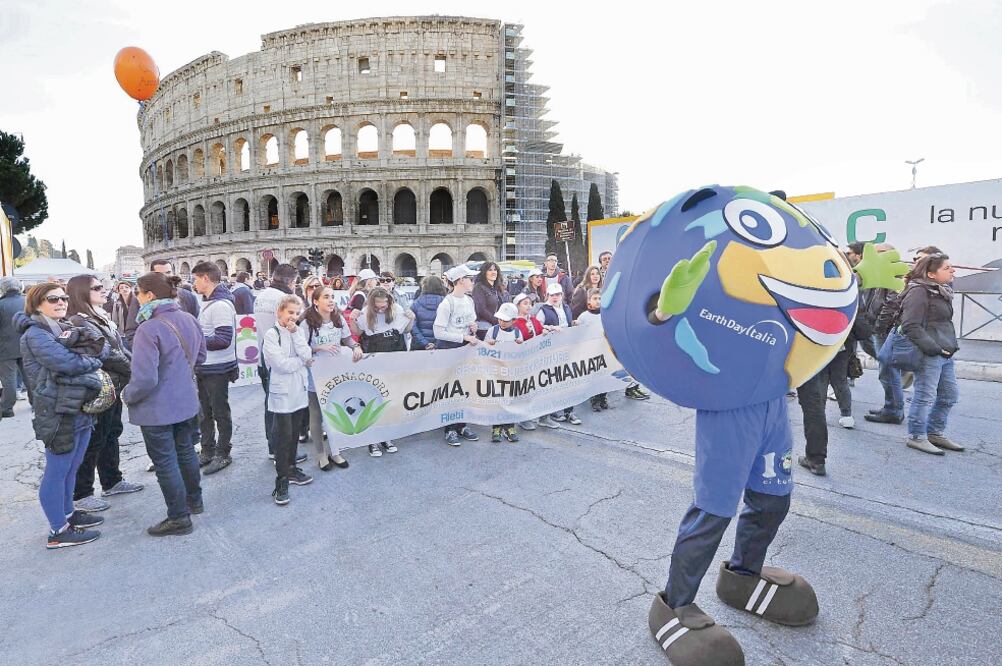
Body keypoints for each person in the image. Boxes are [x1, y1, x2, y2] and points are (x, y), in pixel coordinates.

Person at [16, 282, 107, 549]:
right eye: (53, 299)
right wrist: (92, 361)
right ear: (37, 304)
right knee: (57, 470)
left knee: (72, 467)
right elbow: (68, 363)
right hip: (57, 410)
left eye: (64, 298)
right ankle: (58, 530)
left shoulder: (61, 326)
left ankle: (68, 514)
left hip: (77, 405)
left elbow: (100, 346)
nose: (61, 303)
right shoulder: (35, 334)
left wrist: (89, 357)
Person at [122, 272, 206, 536]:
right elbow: (200, 357)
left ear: (149, 295)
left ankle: (179, 517)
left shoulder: (149, 328)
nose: (136, 298)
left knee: (165, 462)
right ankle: (194, 501)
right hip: (185, 400)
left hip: (158, 408)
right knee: (186, 452)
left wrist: (127, 395)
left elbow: (145, 379)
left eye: (138, 293)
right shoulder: (189, 318)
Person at [66, 275, 143, 512]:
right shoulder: (79, 321)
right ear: (81, 293)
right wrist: (134, 369)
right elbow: (106, 353)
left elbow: (118, 347)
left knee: (111, 433)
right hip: (100, 387)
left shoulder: (97, 315)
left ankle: (112, 480)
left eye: (102, 286)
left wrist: (134, 365)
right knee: (95, 439)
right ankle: (82, 493)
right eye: (97, 287)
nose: (104, 290)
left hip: (113, 384)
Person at [900, 253, 963, 455]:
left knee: (949, 395)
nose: (953, 270)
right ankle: (916, 436)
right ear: (931, 274)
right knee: (924, 396)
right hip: (931, 352)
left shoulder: (941, 290)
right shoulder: (919, 291)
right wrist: (934, 348)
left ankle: (935, 432)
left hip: (945, 351)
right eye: (947, 267)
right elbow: (910, 325)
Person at [302, 285, 362, 471]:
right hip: (314, 374)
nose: (331, 301)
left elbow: (347, 339)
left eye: (332, 297)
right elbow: (299, 348)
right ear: (315, 301)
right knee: (316, 415)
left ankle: (335, 451)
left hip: (335, 374)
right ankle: (321, 454)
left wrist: (355, 347)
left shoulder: (338, 318)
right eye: (326, 297)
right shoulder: (307, 322)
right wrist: (318, 348)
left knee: (335, 412)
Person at [254, 263, 307, 466]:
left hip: (264, 355)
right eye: (295, 282)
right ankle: (283, 453)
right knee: (284, 410)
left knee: (271, 406)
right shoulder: (285, 300)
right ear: (290, 281)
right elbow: (295, 328)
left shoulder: (261, 296)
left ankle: (273, 448)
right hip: (283, 357)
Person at [263, 295, 314, 504]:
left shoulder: (298, 331)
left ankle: (292, 469)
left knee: (294, 434)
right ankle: (281, 480)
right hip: (282, 392)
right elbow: (280, 364)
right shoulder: (271, 334)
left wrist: (296, 338)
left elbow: (307, 354)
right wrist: (301, 362)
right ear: (279, 312)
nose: (293, 316)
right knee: (283, 437)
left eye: (296, 313)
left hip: (299, 390)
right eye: (290, 312)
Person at [349, 286, 410, 456]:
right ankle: (372, 440)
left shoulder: (396, 309)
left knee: (390, 399)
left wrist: (411, 318)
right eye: (378, 306)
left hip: (393, 360)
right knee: (373, 399)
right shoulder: (365, 312)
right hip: (374, 361)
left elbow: (406, 329)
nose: (381, 309)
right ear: (371, 303)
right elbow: (357, 332)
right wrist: (352, 320)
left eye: (384, 305)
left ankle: (386, 436)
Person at [191, 262, 238, 475]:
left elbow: (223, 340)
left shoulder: (220, 306)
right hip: (206, 367)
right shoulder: (210, 302)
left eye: (195, 279)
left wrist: (195, 339)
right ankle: (208, 450)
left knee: (219, 412)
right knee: (205, 413)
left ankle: (223, 453)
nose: (194, 284)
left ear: (206, 278)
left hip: (217, 368)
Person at [433, 264, 482, 446]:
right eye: (470, 279)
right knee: (451, 390)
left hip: (465, 348)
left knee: (465, 388)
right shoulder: (447, 303)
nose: (473, 282)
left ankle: (462, 425)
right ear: (461, 280)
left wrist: (473, 327)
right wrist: (463, 337)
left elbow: (471, 322)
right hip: (449, 349)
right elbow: (438, 332)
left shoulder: (469, 301)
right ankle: (450, 428)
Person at [535, 283, 582, 426]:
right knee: (552, 382)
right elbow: (537, 327)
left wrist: (574, 323)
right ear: (548, 296)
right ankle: (551, 411)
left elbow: (567, 323)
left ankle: (569, 411)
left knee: (568, 380)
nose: (555, 297)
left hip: (566, 348)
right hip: (551, 351)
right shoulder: (543, 310)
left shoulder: (566, 307)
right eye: (552, 295)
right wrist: (549, 328)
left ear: (562, 295)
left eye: (558, 294)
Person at [125, 260, 199, 345]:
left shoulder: (188, 296)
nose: (166, 277)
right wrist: (143, 348)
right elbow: (131, 331)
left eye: (168, 272)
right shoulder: (140, 298)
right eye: (160, 274)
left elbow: (195, 328)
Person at [484, 302, 523, 443]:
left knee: (510, 399)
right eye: (500, 319)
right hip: (496, 372)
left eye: (505, 320)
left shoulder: (517, 333)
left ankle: (509, 427)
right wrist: (488, 343)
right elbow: (483, 349)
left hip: (511, 372)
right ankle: (496, 427)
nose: (502, 322)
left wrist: (520, 344)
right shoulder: (492, 331)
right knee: (497, 400)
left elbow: (522, 353)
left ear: (514, 320)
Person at [512, 292, 549, 431]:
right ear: (518, 306)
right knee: (525, 389)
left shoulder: (533, 320)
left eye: (530, 303)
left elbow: (540, 331)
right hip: (523, 361)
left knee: (540, 387)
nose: (528, 306)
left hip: (536, 360)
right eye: (525, 303)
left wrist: (544, 331)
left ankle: (543, 417)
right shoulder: (515, 323)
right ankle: (523, 418)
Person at [576, 288, 608, 412]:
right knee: (594, 376)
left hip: (604, 349)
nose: (598, 301)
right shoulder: (584, 317)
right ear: (589, 301)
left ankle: (602, 397)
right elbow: (579, 334)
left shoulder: (605, 315)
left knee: (605, 375)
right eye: (595, 298)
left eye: (600, 298)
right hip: (591, 352)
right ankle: (594, 399)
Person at [0, 277, 28, 418]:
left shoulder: (1, 304)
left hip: (5, 348)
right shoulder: (27, 301)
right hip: (27, 345)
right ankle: (36, 404)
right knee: (30, 377)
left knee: (8, 379)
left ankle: (7, 408)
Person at [410, 275, 447, 351]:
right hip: (441, 346)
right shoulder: (447, 304)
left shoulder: (416, 303)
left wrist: (425, 343)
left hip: (419, 345)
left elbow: (412, 326)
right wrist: (436, 343)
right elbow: (449, 326)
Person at [472, 261, 508, 339]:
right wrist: (496, 321)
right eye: (490, 270)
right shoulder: (479, 287)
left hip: (496, 326)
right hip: (484, 328)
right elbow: (481, 309)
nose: (493, 272)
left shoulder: (497, 288)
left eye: (495, 270)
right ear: (484, 272)